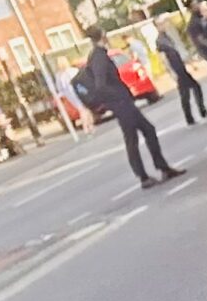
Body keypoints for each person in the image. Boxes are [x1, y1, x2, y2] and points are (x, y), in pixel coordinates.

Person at [77, 25, 180, 189]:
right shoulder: (98, 57)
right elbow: (100, 84)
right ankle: (149, 173)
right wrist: (120, 95)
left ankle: (155, 170)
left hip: (121, 103)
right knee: (139, 135)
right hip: (121, 104)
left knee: (141, 133)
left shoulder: (97, 55)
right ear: (103, 35)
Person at [154, 11, 207, 124]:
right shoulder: (160, 41)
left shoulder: (166, 37)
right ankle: (197, 114)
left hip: (180, 68)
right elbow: (164, 58)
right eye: (162, 23)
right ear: (158, 26)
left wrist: (189, 64)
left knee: (187, 93)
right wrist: (172, 73)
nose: (165, 25)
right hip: (177, 70)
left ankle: (192, 117)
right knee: (191, 90)